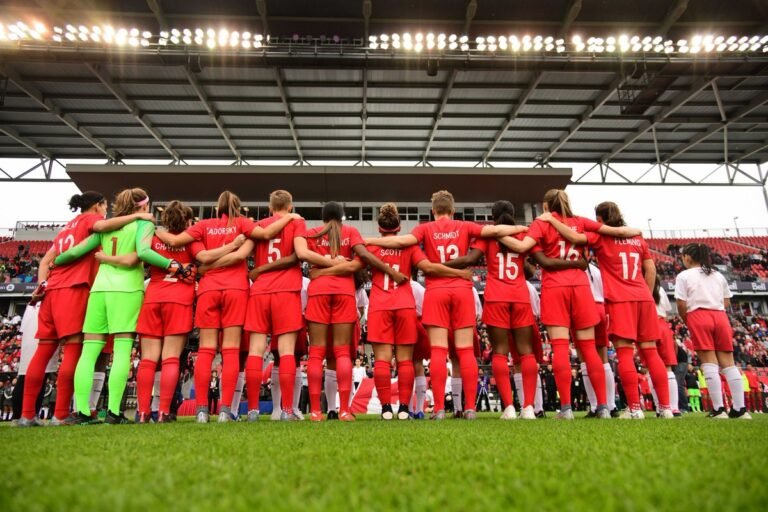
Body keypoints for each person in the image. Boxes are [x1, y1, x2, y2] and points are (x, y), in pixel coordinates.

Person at [365, 190, 527, 421]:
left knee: (439, 351)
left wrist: (369, 240)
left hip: (435, 291)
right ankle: (470, 408)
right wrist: (522, 229)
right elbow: (495, 230)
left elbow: (401, 241)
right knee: (465, 350)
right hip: (462, 290)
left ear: (433, 211)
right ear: (452, 210)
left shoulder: (424, 229)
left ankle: (439, 409)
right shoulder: (464, 225)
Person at [155, 190, 298, 423]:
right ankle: (224, 410)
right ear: (238, 207)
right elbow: (250, 247)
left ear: (215, 208)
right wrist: (290, 217)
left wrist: (150, 226)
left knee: (206, 350)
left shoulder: (203, 226)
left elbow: (174, 241)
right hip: (236, 290)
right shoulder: (243, 223)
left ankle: (201, 411)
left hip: (209, 290)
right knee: (231, 351)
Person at [17, 191, 154, 427]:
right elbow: (127, 243)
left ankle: (28, 415)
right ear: (97, 206)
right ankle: (64, 414)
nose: (105, 210)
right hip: (81, 290)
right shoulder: (93, 221)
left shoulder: (66, 228)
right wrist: (139, 218)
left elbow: (54, 258)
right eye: (103, 205)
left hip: (60, 291)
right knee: (78, 351)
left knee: (46, 353)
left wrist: (44, 281)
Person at [500, 190, 640, 419]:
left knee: (561, 348)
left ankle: (566, 408)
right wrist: (633, 232)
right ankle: (603, 406)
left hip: (555, 288)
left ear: (546, 206)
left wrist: (496, 235)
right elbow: (616, 231)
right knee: (589, 349)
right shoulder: (580, 221)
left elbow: (521, 247)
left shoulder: (542, 222)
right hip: (581, 288)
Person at [52, 188, 179, 424]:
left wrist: (55, 261)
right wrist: (172, 265)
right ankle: (113, 412)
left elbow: (74, 252)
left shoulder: (107, 226)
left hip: (99, 291)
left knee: (89, 352)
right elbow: (143, 252)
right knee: (121, 351)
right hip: (127, 290)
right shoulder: (143, 223)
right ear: (144, 205)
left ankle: (81, 412)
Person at [543, 201, 673, 419]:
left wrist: (551, 220)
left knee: (624, 353)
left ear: (600, 220)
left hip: (620, 300)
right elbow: (650, 268)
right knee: (650, 352)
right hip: (643, 297)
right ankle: (666, 408)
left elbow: (575, 239)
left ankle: (634, 408)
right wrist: (647, 295)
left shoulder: (600, 237)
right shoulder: (638, 238)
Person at [298, 201, 406, 422]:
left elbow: (302, 255)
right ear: (341, 217)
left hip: (318, 291)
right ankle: (345, 410)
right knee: (342, 353)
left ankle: (316, 411)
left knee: (316, 352)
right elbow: (360, 262)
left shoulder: (312, 233)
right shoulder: (351, 231)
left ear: (323, 218)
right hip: (344, 293)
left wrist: (322, 270)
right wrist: (340, 265)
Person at [362, 203, 471, 420]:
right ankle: (403, 408)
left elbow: (353, 266)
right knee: (405, 360)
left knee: (382, 360)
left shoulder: (371, 247)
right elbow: (429, 268)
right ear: (400, 226)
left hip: (379, 304)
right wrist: (458, 274)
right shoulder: (409, 247)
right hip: (404, 304)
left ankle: (385, 409)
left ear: (379, 227)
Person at [442, 200, 543, 420]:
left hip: (496, 296)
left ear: (493, 217)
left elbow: (470, 259)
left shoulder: (487, 236)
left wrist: (441, 265)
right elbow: (532, 269)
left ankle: (508, 407)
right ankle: (528, 407)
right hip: (520, 296)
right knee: (526, 352)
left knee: (499, 352)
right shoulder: (524, 235)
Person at [134, 201, 205, 424]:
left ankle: (143, 412)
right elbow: (204, 261)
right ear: (186, 220)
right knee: (171, 359)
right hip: (179, 300)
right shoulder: (191, 241)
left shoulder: (153, 239)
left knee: (147, 360)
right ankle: (164, 411)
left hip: (154, 296)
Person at [674, 243, 751, 419]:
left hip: (698, 315)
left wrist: (688, 319)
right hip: (720, 316)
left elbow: (680, 303)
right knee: (729, 363)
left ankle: (718, 409)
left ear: (687, 257)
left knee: (709, 362)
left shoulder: (684, 276)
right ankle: (740, 409)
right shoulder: (717, 274)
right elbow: (726, 301)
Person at [653, 276, 682, 416]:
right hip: (663, 326)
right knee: (668, 368)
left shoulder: (640, 287)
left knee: (651, 367)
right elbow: (667, 312)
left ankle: (660, 407)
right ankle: (674, 407)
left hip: (649, 325)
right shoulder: (661, 289)